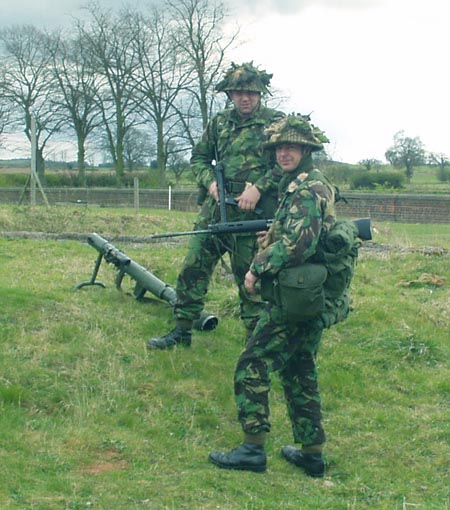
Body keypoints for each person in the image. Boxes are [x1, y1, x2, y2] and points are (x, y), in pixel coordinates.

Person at [208, 114, 336, 477]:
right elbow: (300, 235)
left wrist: (257, 266)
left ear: (306, 149)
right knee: (298, 369)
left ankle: (252, 450)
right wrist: (274, 236)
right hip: (307, 294)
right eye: (280, 147)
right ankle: (311, 454)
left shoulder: (308, 188)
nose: (284, 152)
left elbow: (298, 246)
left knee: (252, 364)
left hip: (293, 296)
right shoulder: (301, 183)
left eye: (291, 146)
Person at [147, 62, 285, 350]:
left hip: (254, 214)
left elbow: (288, 164)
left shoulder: (276, 123)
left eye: (249, 92)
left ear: (260, 93)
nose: (244, 98)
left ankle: (255, 345)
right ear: (230, 95)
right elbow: (198, 158)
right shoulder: (220, 123)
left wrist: (258, 188)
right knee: (192, 268)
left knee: (250, 279)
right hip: (216, 210)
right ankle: (182, 330)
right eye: (237, 93)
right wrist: (211, 184)